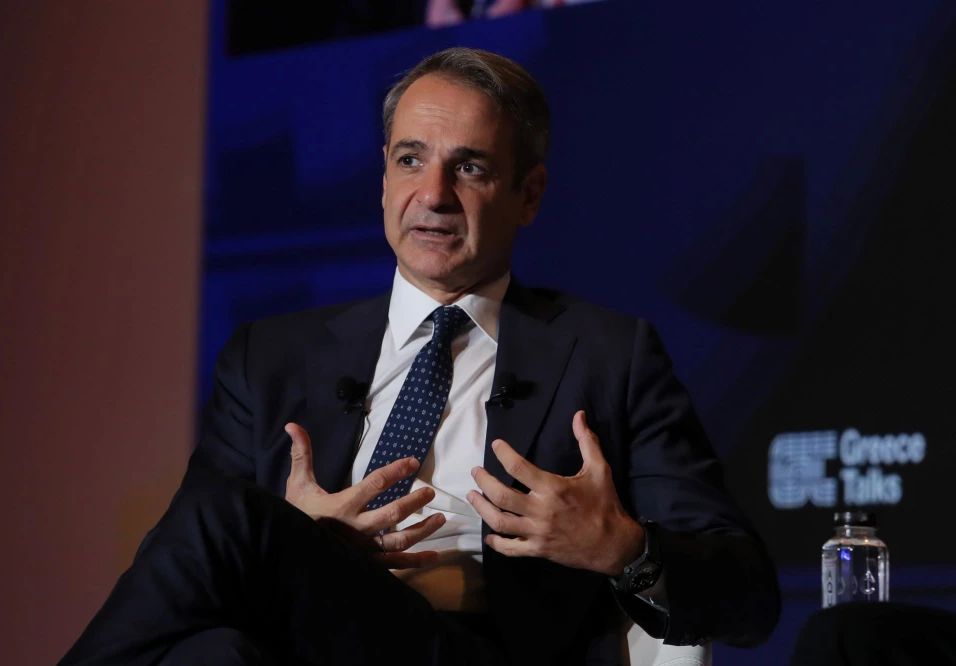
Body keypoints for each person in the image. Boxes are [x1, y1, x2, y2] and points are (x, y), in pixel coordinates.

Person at [61, 47, 780, 666]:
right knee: (214, 648)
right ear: (383, 177)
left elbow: (749, 597)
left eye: (470, 168)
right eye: (411, 160)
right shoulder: (269, 356)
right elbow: (179, 567)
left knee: (230, 521)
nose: (433, 195)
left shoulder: (609, 356)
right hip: (297, 644)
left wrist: (623, 548)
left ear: (529, 194)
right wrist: (300, 545)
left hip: (480, 650)